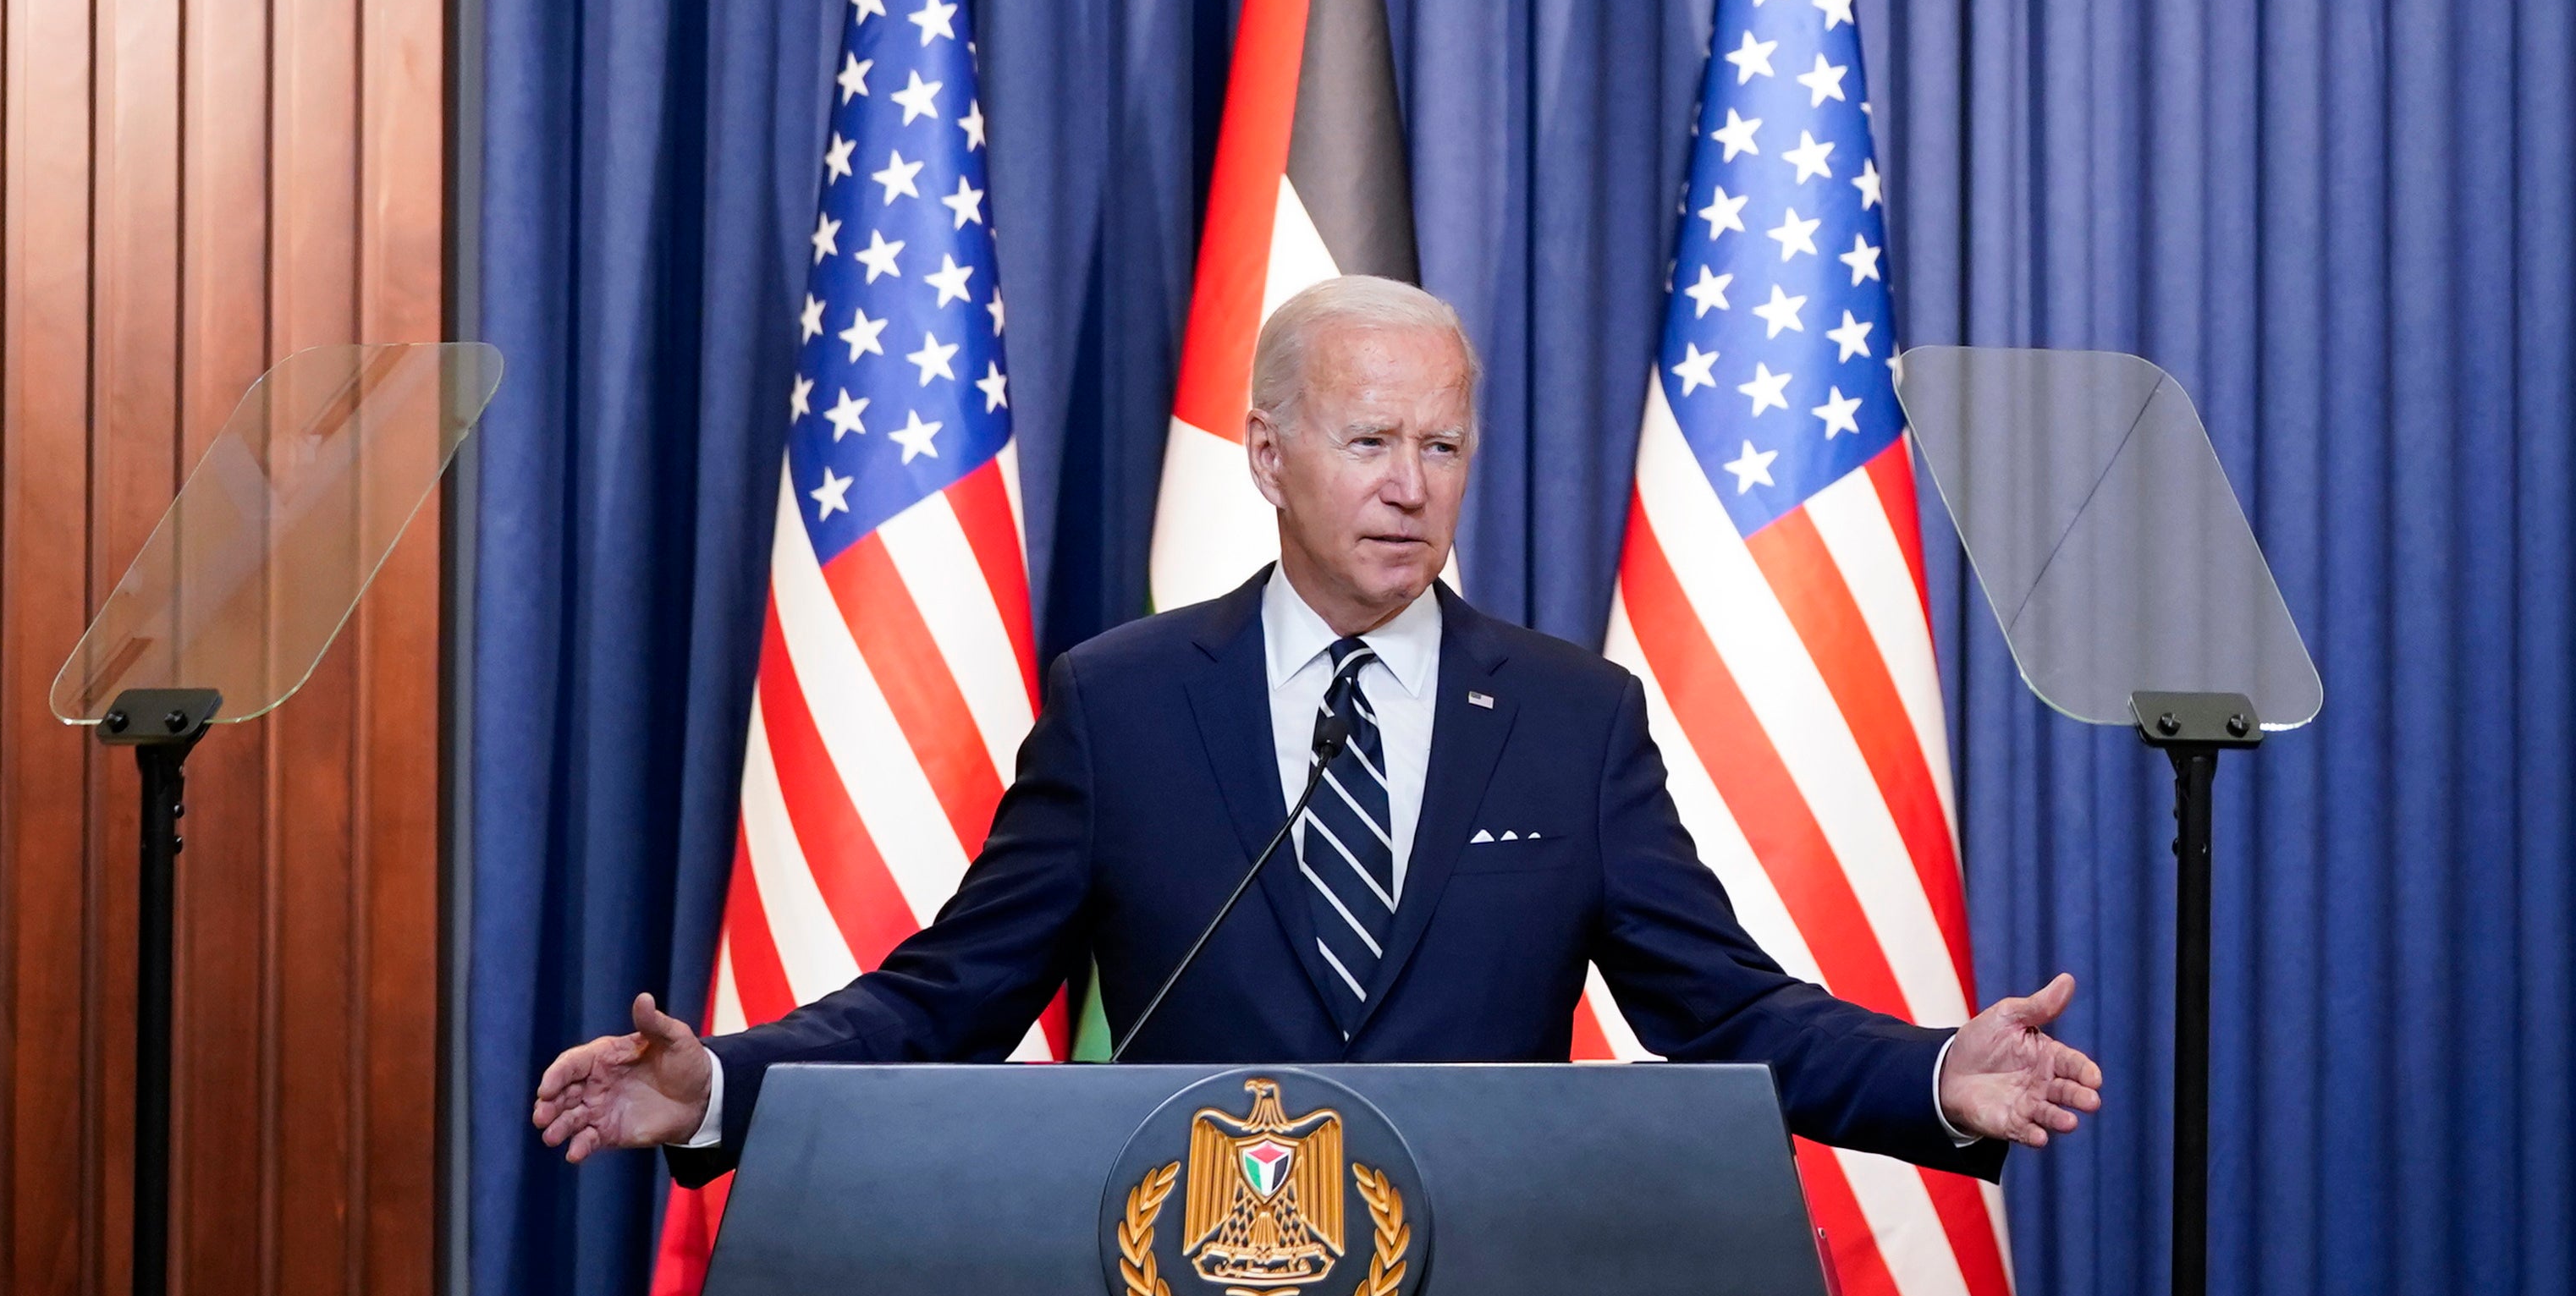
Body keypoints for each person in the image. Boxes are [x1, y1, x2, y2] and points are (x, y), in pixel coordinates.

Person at [535, 274, 2098, 1180]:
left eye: (1443, 444)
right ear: (1270, 454)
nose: (1412, 484)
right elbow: (946, 997)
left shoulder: (1570, 718)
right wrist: (721, 1086)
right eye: (1369, 442)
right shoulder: (1124, 703)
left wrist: (1929, 1073)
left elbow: (1726, 1009)